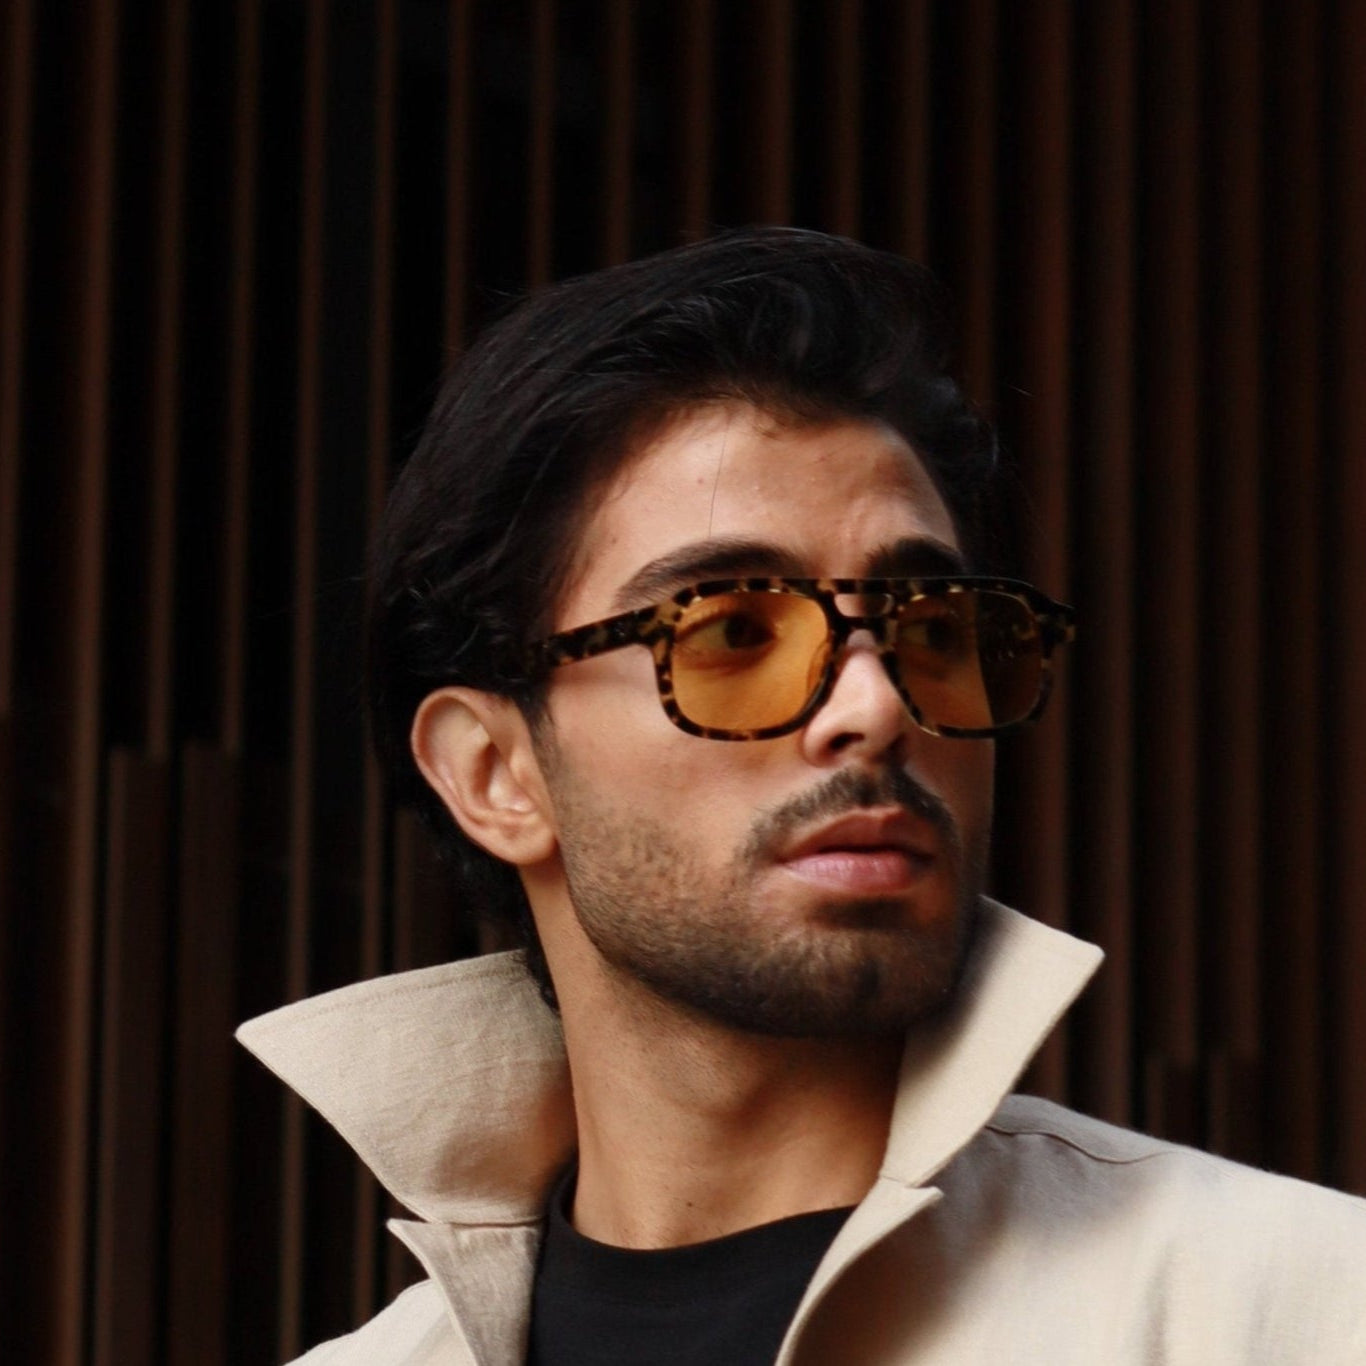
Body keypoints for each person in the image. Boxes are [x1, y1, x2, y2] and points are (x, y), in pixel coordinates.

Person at [239, 227, 1366, 1365]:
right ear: (495, 773)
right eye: (733, 631)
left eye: (931, 631)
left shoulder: (1295, 1310)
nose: (876, 704)